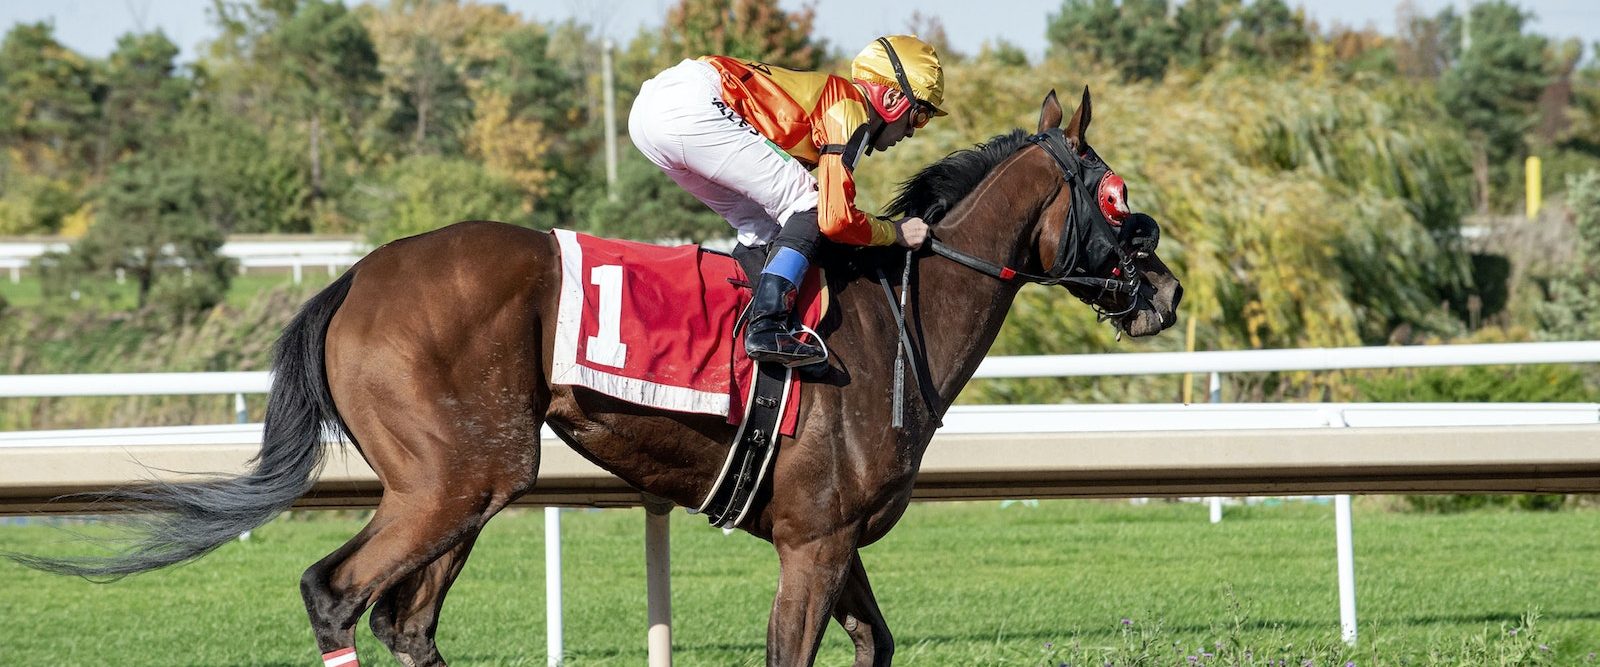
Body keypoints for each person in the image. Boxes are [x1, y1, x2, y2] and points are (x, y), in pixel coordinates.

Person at [628, 35, 945, 367]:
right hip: (690, 102)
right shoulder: (850, 108)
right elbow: (835, 218)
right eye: (920, 116)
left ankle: (740, 324)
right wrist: (894, 232)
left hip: (649, 117)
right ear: (892, 98)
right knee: (810, 202)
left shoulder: (839, 104)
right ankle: (767, 327)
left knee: (761, 227)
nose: (912, 132)